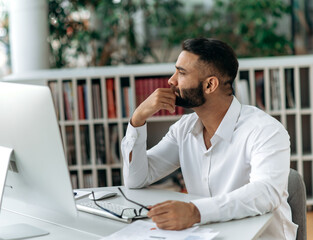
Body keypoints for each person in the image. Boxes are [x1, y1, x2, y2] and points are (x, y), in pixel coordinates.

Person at [121, 38, 297, 239]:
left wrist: (195, 212)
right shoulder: (183, 130)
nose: (171, 81)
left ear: (210, 85)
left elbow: (265, 193)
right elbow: (137, 179)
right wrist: (138, 118)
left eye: (182, 73)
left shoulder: (265, 130)